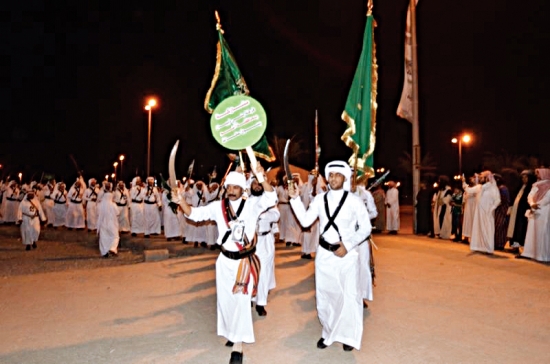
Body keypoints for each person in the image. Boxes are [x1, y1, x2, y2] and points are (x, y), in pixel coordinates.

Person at [176, 165, 276, 364]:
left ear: (242, 189)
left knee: (240, 302)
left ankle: (238, 346)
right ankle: (232, 332)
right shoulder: (217, 207)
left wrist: (259, 176)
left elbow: (271, 198)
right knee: (226, 301)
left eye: (235, 187)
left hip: (243, 262)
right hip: (224, 262)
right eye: (229, 187)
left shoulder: (252, 205)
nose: (231, 190)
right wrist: (181, 201)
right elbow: (195, 215)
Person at [289, 161, 371, 352]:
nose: (333, 178)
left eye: (337, 175)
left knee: (349, 296)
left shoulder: (354, 201)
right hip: (324, 256)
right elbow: (305, 221)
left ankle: (349, 336)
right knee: (326, 295)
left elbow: (366, 228)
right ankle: (328, 332)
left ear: (345, 177)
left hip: (347, 256)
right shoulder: (319, 199)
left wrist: (348, 245)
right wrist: (295, 200)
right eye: (330, 174)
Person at [249, 176, 280, 316]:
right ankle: (249, 297)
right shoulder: (246, 201)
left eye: (259, 184)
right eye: (254, 183)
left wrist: (261, 215)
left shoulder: (269, 200)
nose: (256, 186)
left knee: (263, 272)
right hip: (250, 242)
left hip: (265, 240)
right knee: (249, 271)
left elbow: (276, 215)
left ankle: (260, 303)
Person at [354, 175, 378, 308]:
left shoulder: (366, 194)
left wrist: (362, 217)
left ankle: (361, 296)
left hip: (362, 237)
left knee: (362, 265)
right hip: (346, 236)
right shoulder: (344, 194)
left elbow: (374, 213)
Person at [520, 168, 550, 262]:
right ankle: (529, 253)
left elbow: (547, 199)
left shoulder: (548, 186)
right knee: (531, 232)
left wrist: (537, 205)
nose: (537, 176)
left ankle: (542, 256)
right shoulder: (535, 185)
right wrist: (532, 204)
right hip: (534, 210)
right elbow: (530, 196)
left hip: (544, 212)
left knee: (542, 233)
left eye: (539, 174)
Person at [470, 171, 501, 254]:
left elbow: (498, 200)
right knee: (479, 227)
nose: (486, 179)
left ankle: (488, 247)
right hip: (480, 212)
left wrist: (491, 209)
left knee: (488, 229)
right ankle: (479, 246)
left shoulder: (494, 188)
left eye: (487, 177)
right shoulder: (483, 188)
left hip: (488, 212)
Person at [507, 170, 535, 250]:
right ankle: (514, 246)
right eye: (522, 177)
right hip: (516, 212)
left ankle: (520, 247)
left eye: (526, 177)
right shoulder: (520, 187)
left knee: (521, 229)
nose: (524, 179)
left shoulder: (530, 188)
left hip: (523, 213)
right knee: (515, 228)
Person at [96, 182, 120, 258]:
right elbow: (117, 213)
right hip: (111, 223)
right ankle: (112, 249)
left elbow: (97, 213)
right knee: (115, 236)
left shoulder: (99, 205)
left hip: (103, 223)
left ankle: (104, 252)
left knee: (103, 237)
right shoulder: (113, 204)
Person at [462, 175, 481, 244]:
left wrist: (463, 182)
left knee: (473, 221)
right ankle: (466, 237)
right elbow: (466, 192)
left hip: (474, 206)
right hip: (468, 206)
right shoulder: (469, 187)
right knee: (467, 221)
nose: (471, 180)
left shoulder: (478, 187)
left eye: (473, 179)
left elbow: (468, 190)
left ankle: (473, 238)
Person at [493, 174, 510, 251]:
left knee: (500, 227)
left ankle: (500, 244)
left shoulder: (503, 188)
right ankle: (496, 243)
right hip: (498, 210)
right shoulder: (499, 188)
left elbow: (502, 200)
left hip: (502, 210)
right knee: (497, 227)